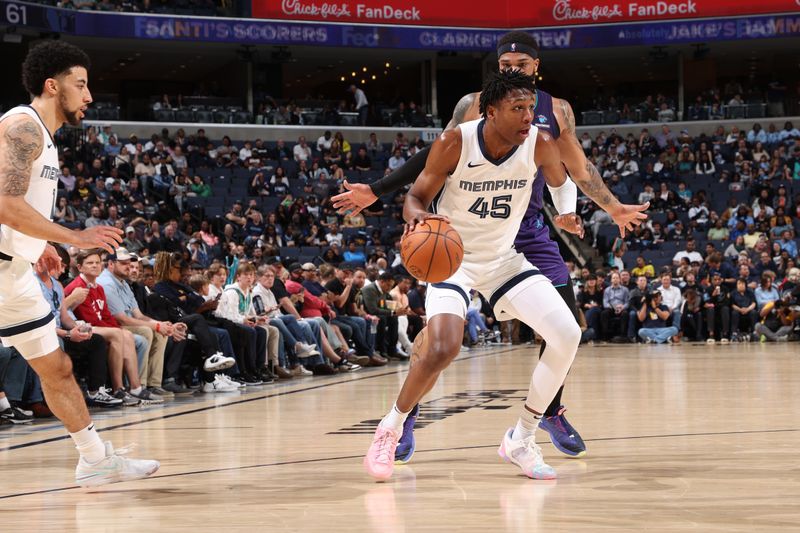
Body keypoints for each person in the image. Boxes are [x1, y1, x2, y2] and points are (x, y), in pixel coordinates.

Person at [335, 31, 649, 462]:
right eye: (505, 66)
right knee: (442, 343)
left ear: (536, 66)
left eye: (521, 65)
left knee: (566, 325)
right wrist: (380, 189)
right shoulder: (471, 107)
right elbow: (434, 160)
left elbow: (573, 168)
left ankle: (544, 416)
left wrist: (607, 208)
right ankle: (403, 415)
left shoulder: (555, 115)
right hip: (459, 233)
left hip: (525, 230)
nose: (513, 71)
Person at [363, 70, 582, 482]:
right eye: (518, 109)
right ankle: (389, 429)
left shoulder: (539, 142)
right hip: (454, 259)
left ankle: (521, 439)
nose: (527, 117)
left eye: (531, 109)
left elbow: (561, 181)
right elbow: (415, 196)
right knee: (444, 347)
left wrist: (567, 212)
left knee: (568, 335)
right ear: (491, 110)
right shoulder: (456, 142)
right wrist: (418, 219)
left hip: (504, 260)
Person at [0, 41, 158, 486]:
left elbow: (20, 211)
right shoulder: (23, 127)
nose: (89, 96)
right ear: (53, 86)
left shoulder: (44, 139)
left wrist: (40, 244)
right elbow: (5, 204)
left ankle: (94, 459)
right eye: (81, 84)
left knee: (58, 368)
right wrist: (73, 237)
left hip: (13, 273)